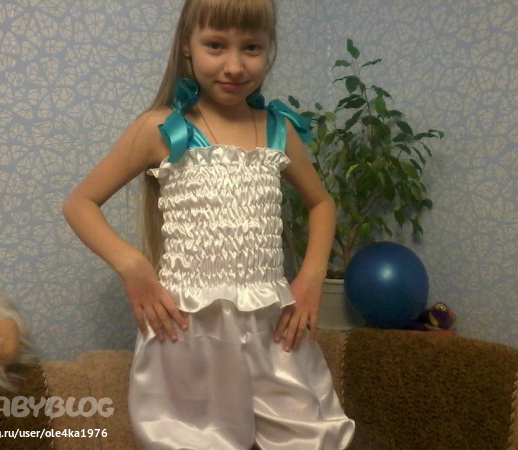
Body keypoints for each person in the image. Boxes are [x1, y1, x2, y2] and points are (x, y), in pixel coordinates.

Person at [63, 0, 355, 448]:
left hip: (272, 336)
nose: (234, 66)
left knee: (309, 438)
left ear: (270, 48)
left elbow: (321, 203)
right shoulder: (160, 128)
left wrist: (312, 276)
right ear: (187, 44)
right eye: (216, 45)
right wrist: (133, 266)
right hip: (187, 338)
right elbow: (80, 203)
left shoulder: (277, 129)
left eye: (252, 47)